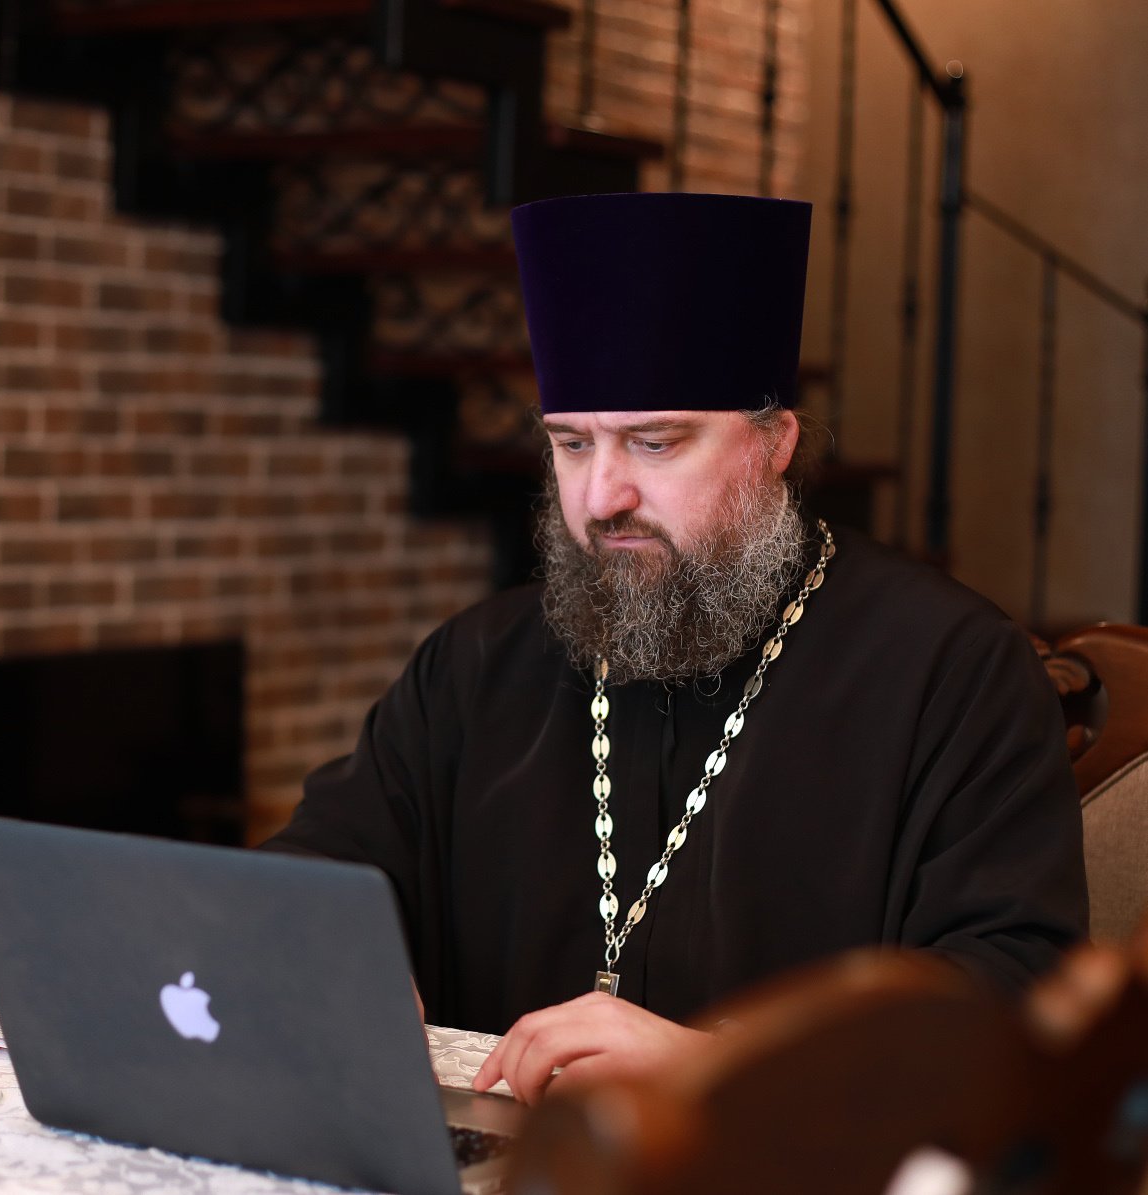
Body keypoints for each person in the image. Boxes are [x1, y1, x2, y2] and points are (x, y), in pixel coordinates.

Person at [263, 193, 1088, 1103]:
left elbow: (1017, 993)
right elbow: (316, 864)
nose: (601, 496)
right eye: (571, 444)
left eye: (653, 443)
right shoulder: (475, 662)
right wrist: (338, 953)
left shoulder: (950, 669)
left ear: (773, 441)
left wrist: (728, 1069)